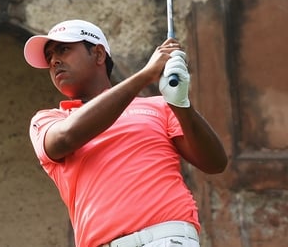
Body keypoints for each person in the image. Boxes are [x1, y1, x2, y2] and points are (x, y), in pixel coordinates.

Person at [24, 19, 227, 247]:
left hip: (168, 238)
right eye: (49, 56)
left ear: (99, 54)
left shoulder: (159, 106)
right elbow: (65, 138)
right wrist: (145, 75)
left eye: (63, 49)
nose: (54, 61)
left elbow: (215, 163)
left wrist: (181, 104)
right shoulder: (49, 120)